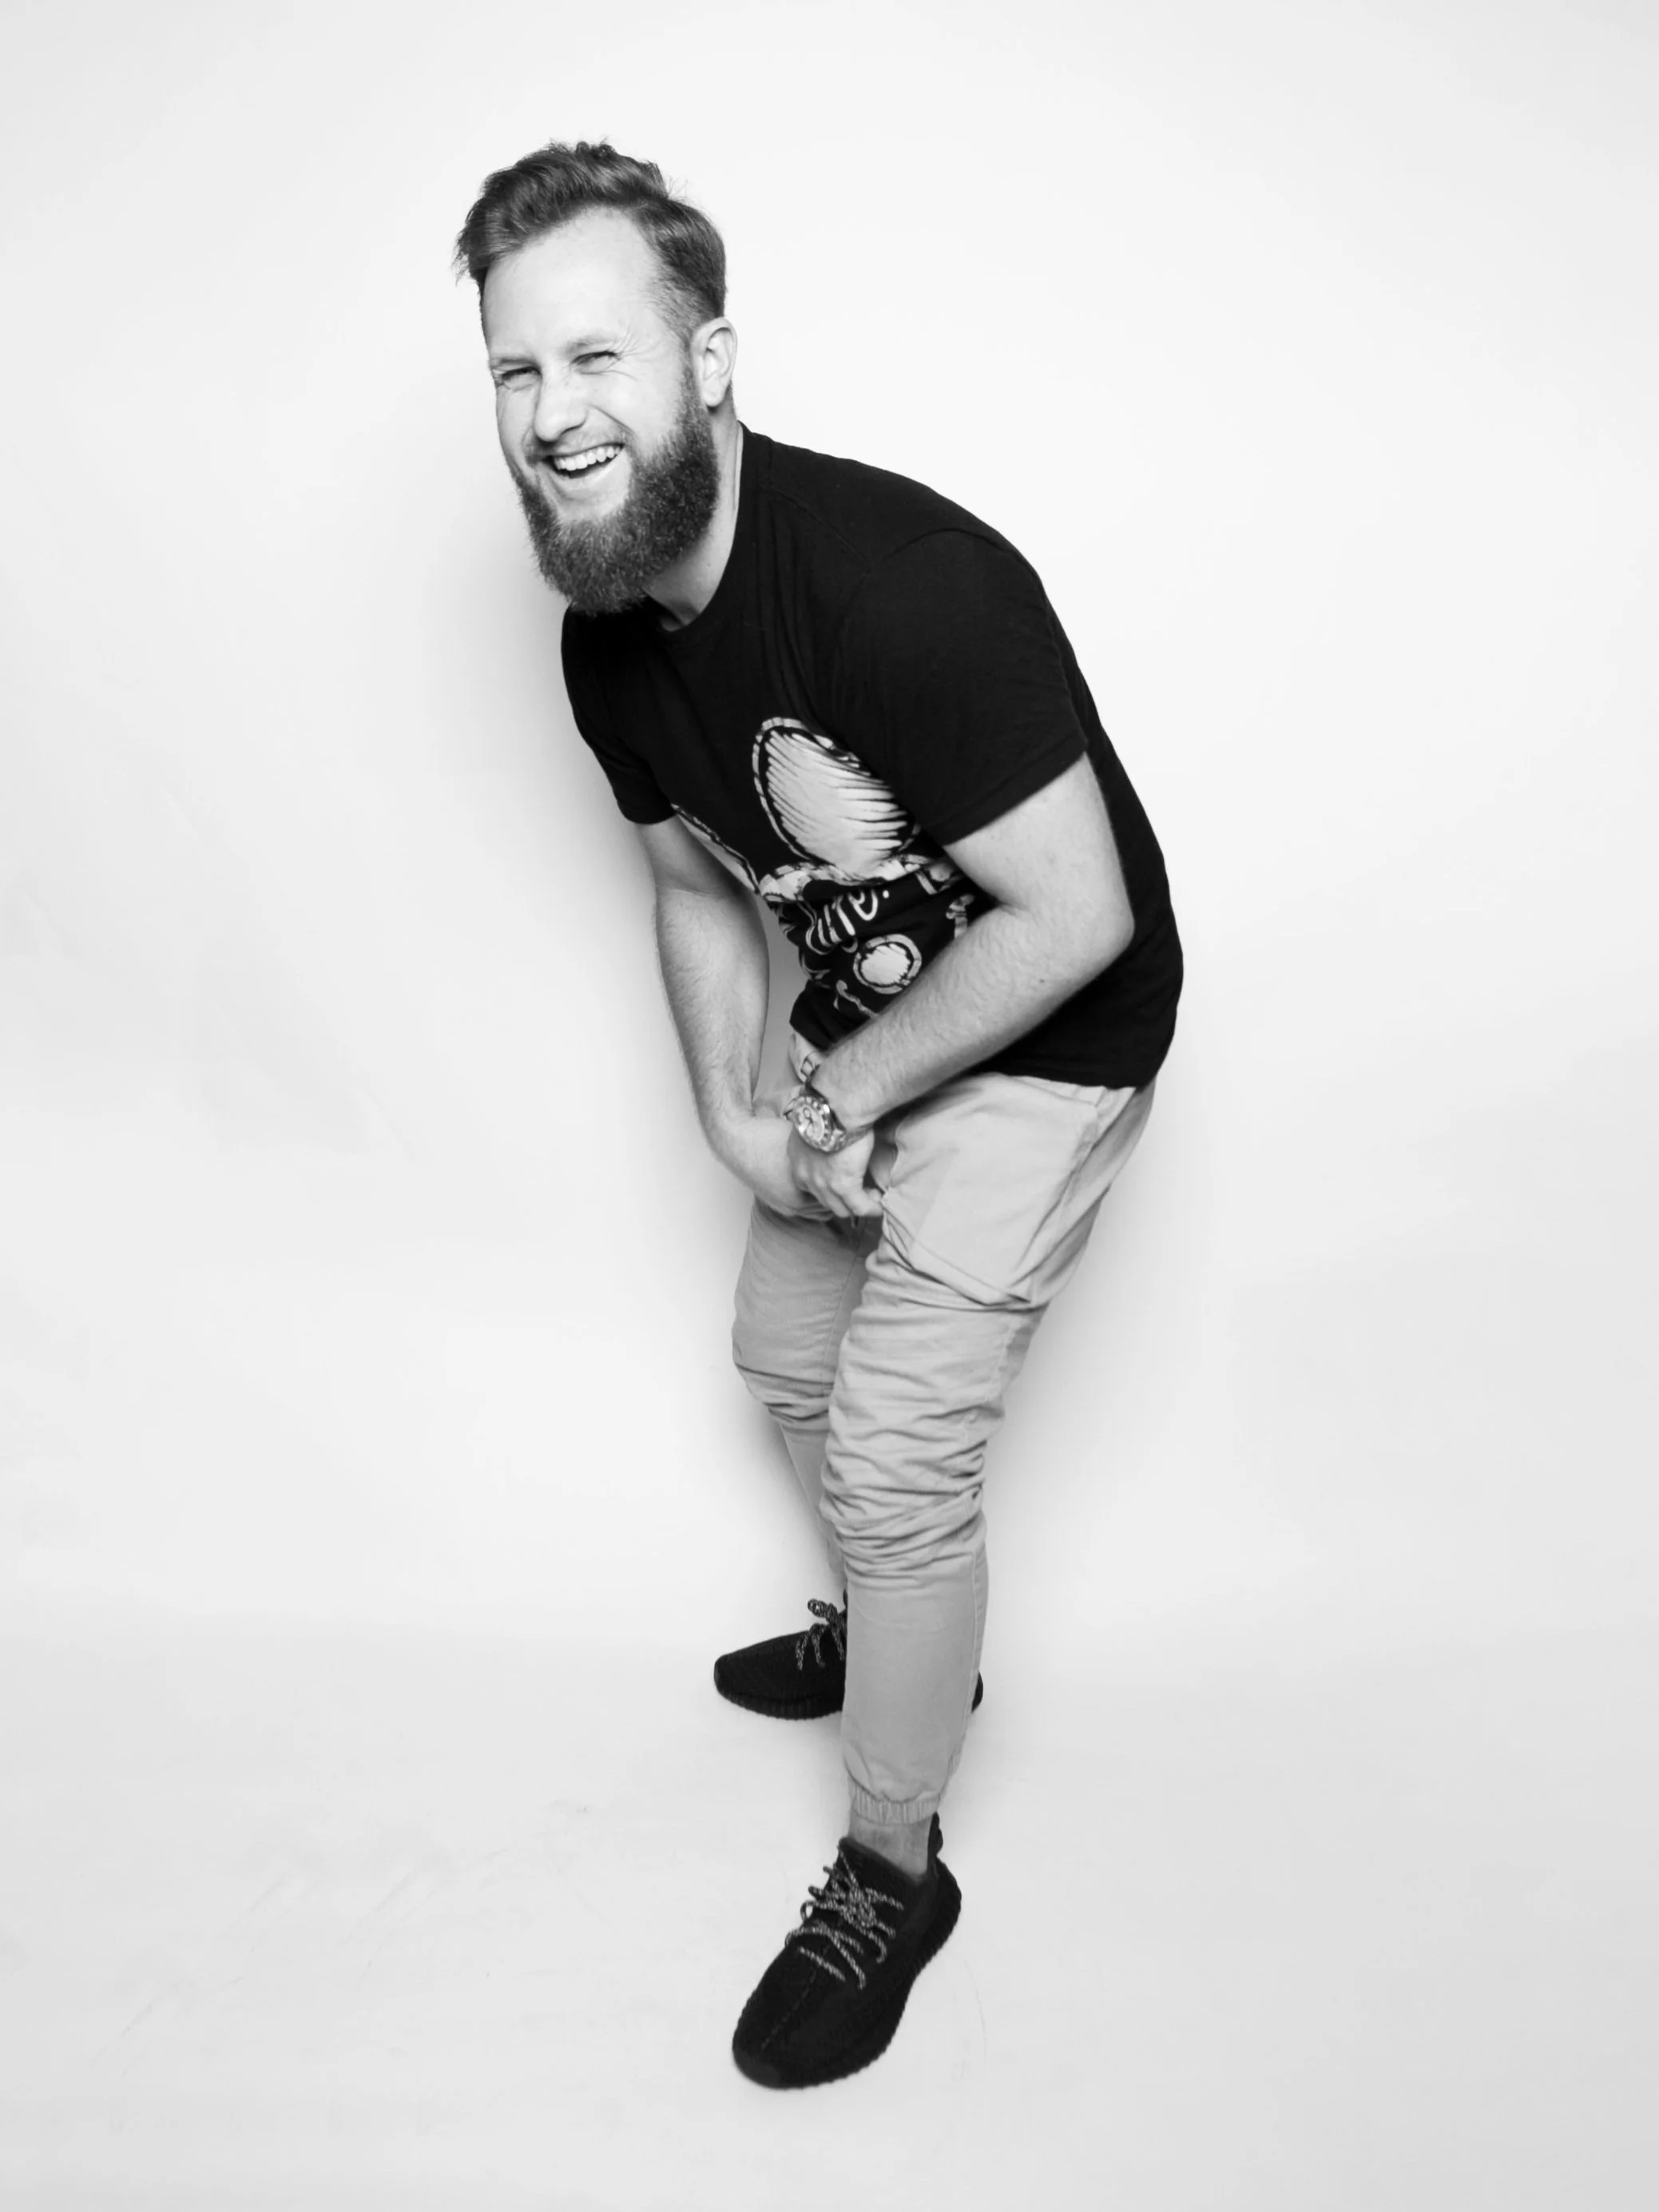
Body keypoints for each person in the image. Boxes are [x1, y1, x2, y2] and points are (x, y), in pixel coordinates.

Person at [454, 140, 1182, 2090]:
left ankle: (894, 1863)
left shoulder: (900, 586)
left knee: (890, 1460)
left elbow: (1080, 912)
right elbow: (699, 881)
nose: (553, 419)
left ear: (712, 361)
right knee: (784, 1357)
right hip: (870, 1030)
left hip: (1046, 1031)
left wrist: (850, 1080)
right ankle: (902, 1639)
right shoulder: (604, 641)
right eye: (517, 376)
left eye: (597, 359)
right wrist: (733, 1116)